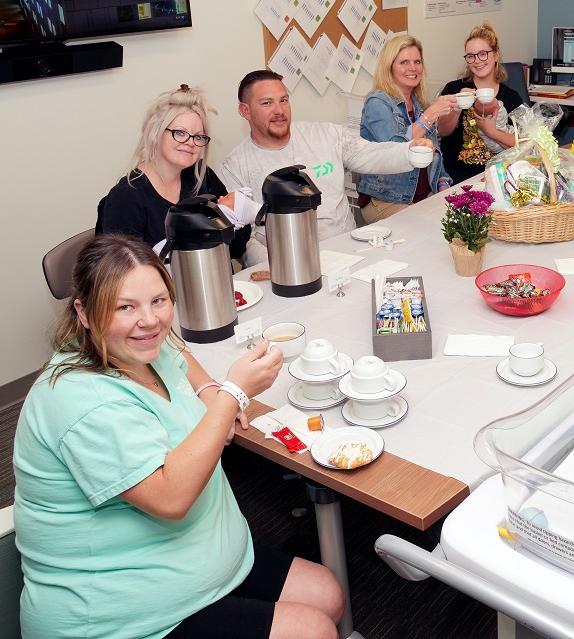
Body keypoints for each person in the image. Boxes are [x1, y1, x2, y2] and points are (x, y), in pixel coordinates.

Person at [13, 234, 344, 638]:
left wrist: (206, 390)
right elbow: (170, 499)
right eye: (124, 307)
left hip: (197, 562)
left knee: (328, 593)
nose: (149, 320)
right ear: (83, 312)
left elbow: (176, 349)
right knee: (314, 630)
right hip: (120, 617)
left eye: (158, 300)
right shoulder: (82, 401)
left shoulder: (135, 346)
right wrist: (231, 395)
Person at [221, 70, 432, 266]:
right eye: (267, 103)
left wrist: (409, 151)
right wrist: (280, 267)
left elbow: (370, 154)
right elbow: (243, 239)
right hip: (288, 267)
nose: (279, 110)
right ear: (245, 111)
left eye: (283, 100)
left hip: (349, 253)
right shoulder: (235, 167)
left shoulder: (325, 135)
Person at [97, 85, 252, 261]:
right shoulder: (126, 198)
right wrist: (211, 244)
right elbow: (128, 274)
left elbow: (241, 231)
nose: (190, 142)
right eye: (180, 133)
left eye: (198, 136)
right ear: (154, 133)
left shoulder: (202, 176)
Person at [356, 35, 455, 223]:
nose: (413, 68)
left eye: (417, 62)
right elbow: (395, 149)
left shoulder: (418, 104)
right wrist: (431, 114)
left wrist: (442, 183)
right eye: (404, 62)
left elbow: (434, 153)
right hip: (386, 199)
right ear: (389, 67)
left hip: (422, 196)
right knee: (425, 229)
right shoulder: (377, 101)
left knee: (460, 223)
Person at [438, 22, 526, 183]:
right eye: (471, 56)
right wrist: (457, 106)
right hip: (457, 176)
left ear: (496, 55)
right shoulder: (454, 89)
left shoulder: (511, 97)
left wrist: (491, 132)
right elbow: (442, 131)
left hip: (498, 176)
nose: (477, 61)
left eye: (483, 54)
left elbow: (525, 144)